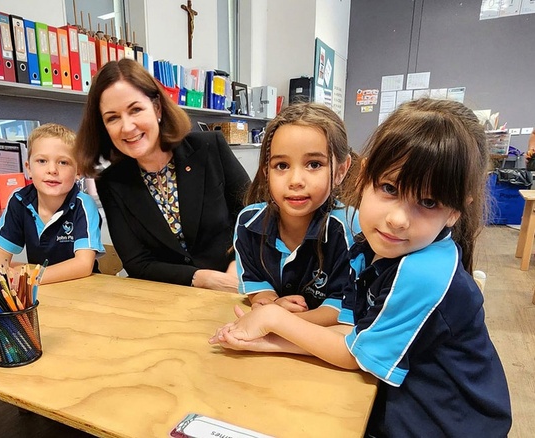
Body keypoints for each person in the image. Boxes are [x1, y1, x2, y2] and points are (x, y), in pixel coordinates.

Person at [210, 99, 512, 436]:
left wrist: (274, 319)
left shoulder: (421, 272)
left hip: (440, 422)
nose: (397, 219)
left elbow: (353, 355)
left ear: (456, 210)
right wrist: (266, 339)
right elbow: (354, 337)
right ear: (365, 176)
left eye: (428, 202)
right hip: (395, 394)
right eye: (389, 189)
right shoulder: (373, 248)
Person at [75, 59, 250, 292]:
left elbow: (254, 215)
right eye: (112, 117)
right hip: (168, 298)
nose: (127, 127)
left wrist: (236, 266)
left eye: (135, 109)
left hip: (240, 284)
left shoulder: (209, 147)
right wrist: (202, 278)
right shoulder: (111, 182)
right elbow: (137, 262)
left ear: (157, 108)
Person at [234, 103, 357, 317]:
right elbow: (256, 285)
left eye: (314, 164)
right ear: (266, 171)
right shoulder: (248, 222)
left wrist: (277, 321)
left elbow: (343, 308)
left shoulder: (350, 228)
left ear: (340, 170)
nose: (295, 181)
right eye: (281, 166)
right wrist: (273, 303)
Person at [0, 123, 105, 284]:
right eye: (42, 161)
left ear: (78, 172)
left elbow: (83, 265)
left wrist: (28, 278)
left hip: (81, 289)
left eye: (63, 162)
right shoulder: (19, 201)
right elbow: (1, 256)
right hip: (41, 290)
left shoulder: (83, 205)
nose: (52, 169)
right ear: (29, 169)